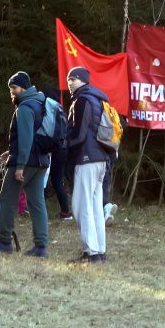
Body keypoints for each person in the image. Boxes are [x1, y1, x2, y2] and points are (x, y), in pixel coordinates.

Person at [0, 71, 50, 258]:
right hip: (41, 161)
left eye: (14, 88)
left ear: (23, 87)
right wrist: (12, 152)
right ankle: (41, 246)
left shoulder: (24, 108)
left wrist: (19, 164)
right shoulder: (40, 103)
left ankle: (4, 242)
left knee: (6, 200)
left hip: (25, 162)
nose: (12, 92)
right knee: (37, 203)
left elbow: (26, 138)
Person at [65, 67, 112, 263]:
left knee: (80, 206)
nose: (69, 83)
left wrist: (65, 146)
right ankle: (99, 251)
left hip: (87, 159)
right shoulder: (99, 99)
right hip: (101, 158)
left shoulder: (83, 99)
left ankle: (91, 252)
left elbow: (80, 133)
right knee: (94, 207)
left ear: (82, 81)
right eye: (69, 80)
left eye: (72, 80)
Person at [41, 87, 72, 220]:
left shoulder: (46, 108)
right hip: (63, 147)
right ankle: (65, 212)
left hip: (50, 147)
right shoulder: (60, 109)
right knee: (57, 180)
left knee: (42, 178)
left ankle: (41, 210)